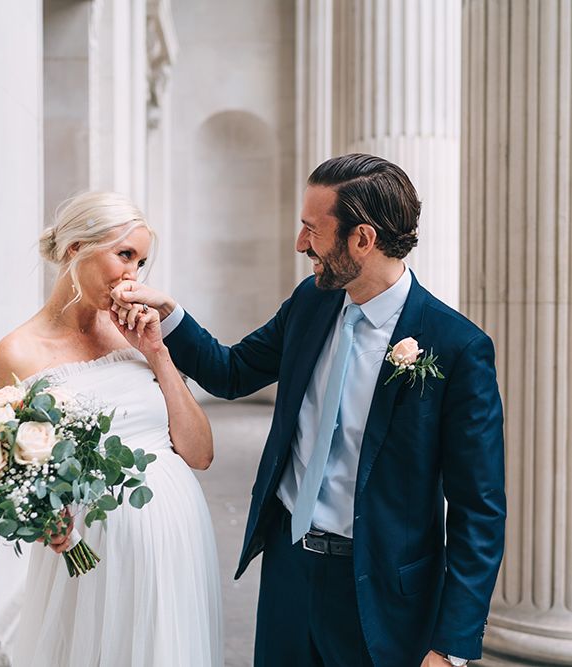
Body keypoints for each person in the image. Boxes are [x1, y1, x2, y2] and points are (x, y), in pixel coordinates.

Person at [111, 154, 506, 667]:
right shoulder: (311, 302)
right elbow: (232, 372)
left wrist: (451, 645)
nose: (300, 244)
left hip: (384, 598)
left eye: (311, 229)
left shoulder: (456, 347)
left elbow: (480, 509)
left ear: (362, 239)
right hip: (288, 575)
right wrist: (168, 315)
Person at [0, 191, 223, 667]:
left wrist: (157, 353)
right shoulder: (17, 352)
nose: (132, 274)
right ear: (76, 249)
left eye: (140, 261)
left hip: (175, 535)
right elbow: (0, 473)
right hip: (89, 550)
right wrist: (41, 520)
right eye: (124, 255)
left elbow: (199, 453)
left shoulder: (137, 336)